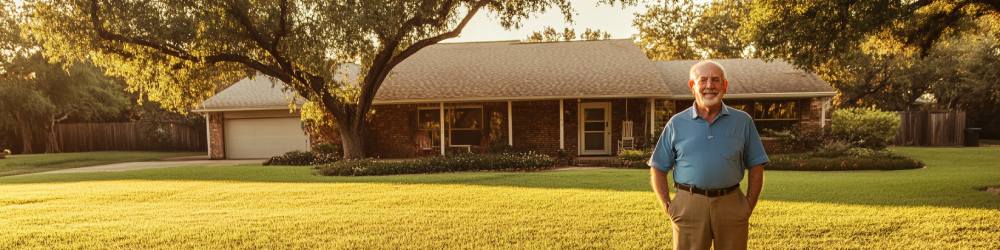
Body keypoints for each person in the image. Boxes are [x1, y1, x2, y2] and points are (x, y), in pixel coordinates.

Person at [648, 60, 768, 250]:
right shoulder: (676, 123)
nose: (710, 86)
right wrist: (668, 206)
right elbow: (658, 166)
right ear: (692, 86)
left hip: (731, 204)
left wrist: (748, 205)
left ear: (725, 85)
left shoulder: (743, 121)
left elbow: (756, 165)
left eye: (716, 80)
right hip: (689, 204)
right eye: (703, 80)